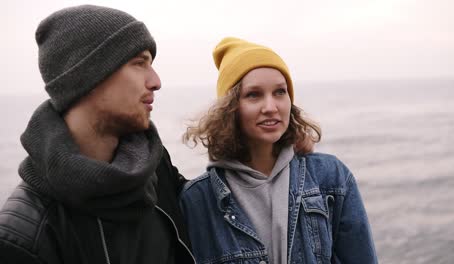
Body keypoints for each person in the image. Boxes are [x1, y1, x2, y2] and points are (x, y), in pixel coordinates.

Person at [0, 5, 196, 263]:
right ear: (87, 75)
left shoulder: (155, 167)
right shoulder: (25, 237)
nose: (156, 80)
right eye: (139, 63)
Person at [180, 37, 378, 264]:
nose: (271, 107)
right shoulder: (199, 199)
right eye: (253, 94)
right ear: (230, 108)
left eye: (280, 92)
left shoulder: (331, 178)